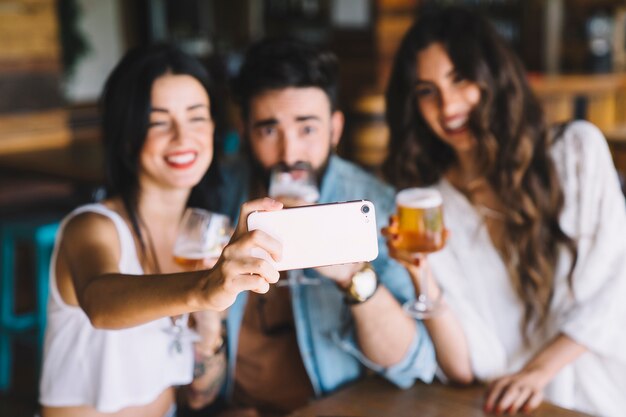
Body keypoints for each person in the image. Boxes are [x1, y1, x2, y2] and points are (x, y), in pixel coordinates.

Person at [384, 6, 626, 417]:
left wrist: (537, 373)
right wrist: (421, 275)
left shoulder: (576, 152)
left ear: (493, 76)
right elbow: (464, 366)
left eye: (459, 79)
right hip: (509, 406)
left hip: (604, 392)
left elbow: (616, 285)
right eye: (426, 90)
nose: (447, 105)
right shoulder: (430, 206)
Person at [38, 44, 284, 417]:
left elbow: (199, 396)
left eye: (196, 117)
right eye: (158, 121)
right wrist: (203, 289)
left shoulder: (203, 235)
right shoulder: (92, 228)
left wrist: (209, 325)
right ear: (126, 136)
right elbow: (100, 301)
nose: (183, 137)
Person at [214, 37, 436, 417]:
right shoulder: (218, 191)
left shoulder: (373, 206)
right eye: (269, 130)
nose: (289, 153)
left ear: (335, 129)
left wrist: (351, 274)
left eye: (307, 129)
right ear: (245, 130)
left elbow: (413, 365)